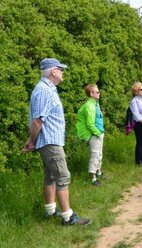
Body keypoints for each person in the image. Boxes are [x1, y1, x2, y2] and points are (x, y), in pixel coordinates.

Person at [23, 58, 91, 226]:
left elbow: (38, 120)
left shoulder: (47, 89)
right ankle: (68, 217)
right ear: (53, 71)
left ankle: (50, 211)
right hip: (50, 143)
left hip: (49, 140)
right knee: (62, 176)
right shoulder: (44, 91)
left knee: (51, 176)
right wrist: (32, 141)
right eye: (61, 69)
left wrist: (31, 140)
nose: (63, 72)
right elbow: (37, 121)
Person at [76, 84, 105, 186]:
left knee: (99, 154)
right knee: (94, 155)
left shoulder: (95, 103)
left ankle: (99, 172)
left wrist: (101, 132)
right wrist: (97, 133)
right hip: (94, 134)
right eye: (97, 92)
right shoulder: (89, 105)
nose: (99, 93)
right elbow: (90, 123)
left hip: (99, 132)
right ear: (91, 93)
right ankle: (93, 179)